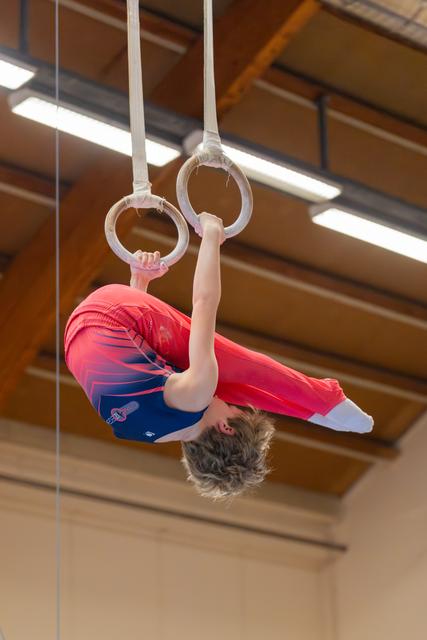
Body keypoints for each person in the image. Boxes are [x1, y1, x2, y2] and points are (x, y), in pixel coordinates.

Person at [64, 213, 373, 499]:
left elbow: (204, 302)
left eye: (234, 411)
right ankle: (320, 407)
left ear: (226, 428)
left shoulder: (195, 396)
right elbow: (120, 362)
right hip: (75, 333)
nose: (230, 404)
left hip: (111, 312)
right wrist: (139, 283)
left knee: (231, 371)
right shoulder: (145, 435)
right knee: (177, 371)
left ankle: (323, 401)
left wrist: (211, 237)